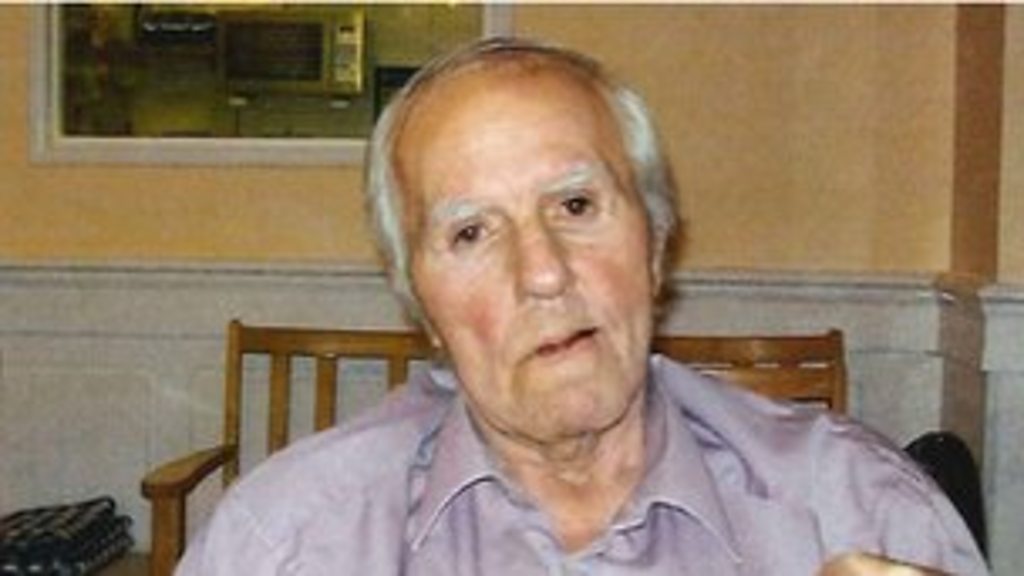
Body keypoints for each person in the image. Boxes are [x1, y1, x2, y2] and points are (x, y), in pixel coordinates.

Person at [176, 38, 988, 575]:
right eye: (470, 233)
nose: (543, 273)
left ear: (657, 242)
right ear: (421, 304)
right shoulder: (285, 546)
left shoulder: (860, 513)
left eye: (575, 206)